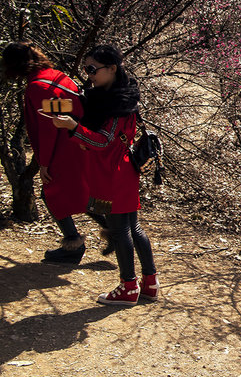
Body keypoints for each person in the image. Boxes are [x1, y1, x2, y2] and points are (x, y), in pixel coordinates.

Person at [45, 44, 160, 306]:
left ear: (111, 68)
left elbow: (104, 141)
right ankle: (149, 284)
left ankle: (128, 287)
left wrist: (73, 128)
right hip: (118, 172)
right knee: (132, 227)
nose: (89, 75)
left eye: (93, 69)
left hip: (110, 176)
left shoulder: (120, 103)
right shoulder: (110, 96)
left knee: (120, 231)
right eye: (87, 69)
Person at [1, 41, 108, 263]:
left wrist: (44, 163)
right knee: (81, 193)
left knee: (51, 194)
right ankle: (116, 228)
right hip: (78, 141)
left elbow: (50, 128)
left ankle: (73, 244)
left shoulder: (38, 88)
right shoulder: (56, 76)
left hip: (64, 148)